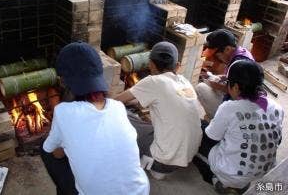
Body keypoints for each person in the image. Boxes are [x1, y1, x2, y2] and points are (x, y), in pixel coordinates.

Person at [41, 42, 149, 195]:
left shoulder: (63, 112)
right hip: (140, 191)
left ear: (64, 81)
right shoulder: (117, 107)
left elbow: (55, 152)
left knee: (45, 149)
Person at [193, 60, 284, 194]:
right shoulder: (277, 107)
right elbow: (277, 140)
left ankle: (219, 181)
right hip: (261, 170)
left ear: (235, 87)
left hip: (232, 173)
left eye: (228, 82)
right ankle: (237, 181)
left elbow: (211, 137)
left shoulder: (230, 108)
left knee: (199, 127)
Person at [116, 41, 203, 179]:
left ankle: (148, 163)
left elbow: (116, 101)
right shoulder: (184, 82)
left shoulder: (153, 81)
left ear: (150, 63)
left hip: (161, 162)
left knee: (121, 115)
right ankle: (159, 165)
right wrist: (134, 101)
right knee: (150, 124)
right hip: (187, 157)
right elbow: (145, 99)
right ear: (178, 66)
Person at [195, 29, 254, 119]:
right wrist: (215, 77)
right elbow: (233, 79)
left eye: (218, 55)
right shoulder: (240, 53)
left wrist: (216, 85)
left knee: (200, 88)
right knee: (213, 82)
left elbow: (239, 92)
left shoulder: (239, 65)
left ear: (227, 49)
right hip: (242, 102)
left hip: (240, 112)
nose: (218, 58)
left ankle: (216, 119)